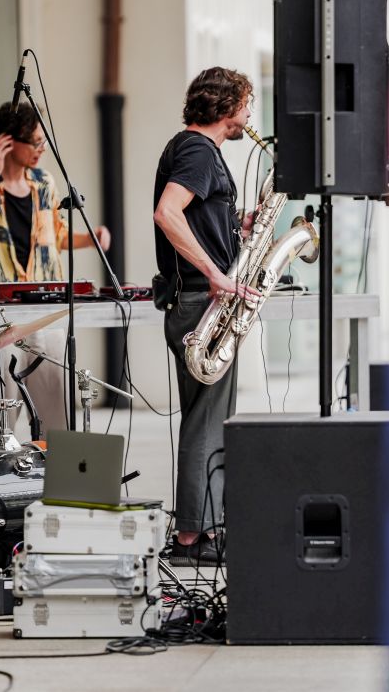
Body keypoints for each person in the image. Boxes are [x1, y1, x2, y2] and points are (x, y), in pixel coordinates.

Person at [152, 67, 261, 564]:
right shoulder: (197, 150)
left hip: (199, 299)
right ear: (226, 106)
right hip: (201, 301)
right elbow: (168, 212)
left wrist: (237, 225)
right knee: (206, 418)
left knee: (210, 416)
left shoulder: (195, 150)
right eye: (246, 103)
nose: (249, 115)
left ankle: (204, 529)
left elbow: (194, 216)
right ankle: (193, 537)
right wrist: (216, 274)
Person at [0, 102, 111, 438]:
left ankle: (58, 472)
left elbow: (55, 236)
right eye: (36, 142)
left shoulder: (44, 183)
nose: (42, 149)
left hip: (45, 314)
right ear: (8, 142)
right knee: (0, 423)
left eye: (43, 142)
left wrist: (91, 239)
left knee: (58, 420)